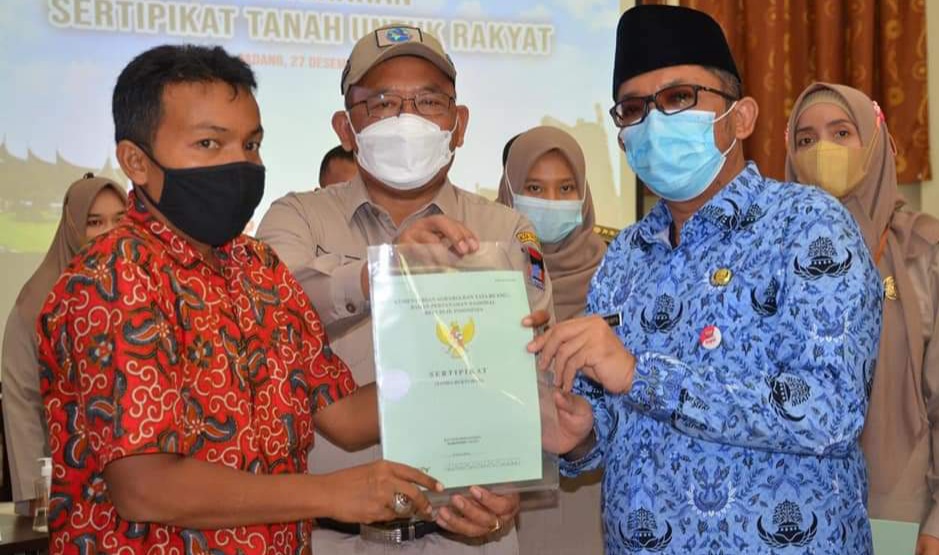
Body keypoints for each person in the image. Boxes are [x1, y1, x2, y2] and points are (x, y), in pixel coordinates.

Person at [37, 43, 507, 554]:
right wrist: (331, 493)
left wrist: (470, 360)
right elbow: (143, 487)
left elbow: (344, 418)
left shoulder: (257, 267)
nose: (239, 163)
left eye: (251, 144)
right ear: (136, 161)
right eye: (209, 144)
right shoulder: (111, 278)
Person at [527, 5, 882, 554]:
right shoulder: (625, 254)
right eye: (634, 109)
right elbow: (613, 417)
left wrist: (641, 375)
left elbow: (829, 412)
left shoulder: (808, 226)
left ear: (741, 118)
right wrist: (582, 434)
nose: (654, 122)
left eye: (678, 98)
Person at [257, 24, 550, 555]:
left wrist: (510, 490)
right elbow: (273, 309)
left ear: (459, 125)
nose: (406, 118)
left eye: (429, 102)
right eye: (382, 103)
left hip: (470, 538)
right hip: (330, 539)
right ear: (346, 128)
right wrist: (382, 274)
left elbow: (536, 375)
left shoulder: (506, 232)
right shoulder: (296, 218)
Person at [785, 82, 939, 555]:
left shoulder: (924, 253)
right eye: (805, 139)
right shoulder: (771, 257)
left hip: (900, 515)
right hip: (792, 513)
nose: (822, 150)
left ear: (874, 142)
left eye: (841, 133)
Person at [1, 173, 126, 517]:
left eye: (120, 219)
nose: (110, 232)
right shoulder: (37, 302)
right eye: (94, 222)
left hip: (139, 484)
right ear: (72, 228)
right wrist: (35, 494)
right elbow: (22, 400)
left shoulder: (140, 289)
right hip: (69, 489)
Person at [497, 126, 607, 321]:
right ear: (509, 191)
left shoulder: (614, 267)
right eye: (535, 188)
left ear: (583, 192)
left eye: (566, 188)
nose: (551, 201)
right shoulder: (481, 262)